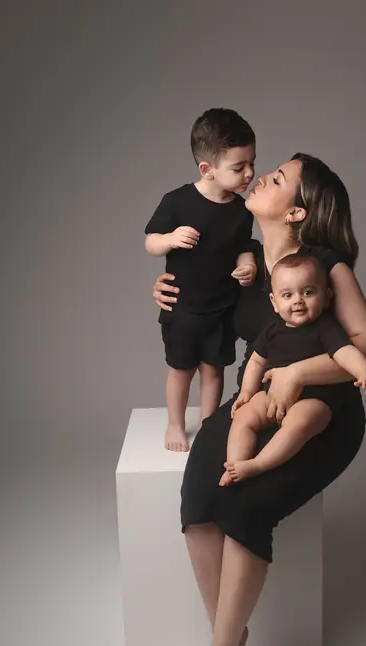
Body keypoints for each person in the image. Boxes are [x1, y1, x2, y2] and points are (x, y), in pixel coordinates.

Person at [152, 153, 366, 646]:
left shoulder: (326, 268)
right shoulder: (246, 263)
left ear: (298, 211)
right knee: (199, 502)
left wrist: (299, 372)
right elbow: (202, 317)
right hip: (250, 406)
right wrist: (165, 291)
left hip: (322, 416)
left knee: (246, 508)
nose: (264, 177)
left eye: (279, 178)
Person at [144, 108, 257, 452]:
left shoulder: (240, 210)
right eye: (239, 168)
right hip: (183, 307)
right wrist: (170, 238)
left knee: (214, 369)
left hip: (221, 306)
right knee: (181, 369)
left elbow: (240, 246)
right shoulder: (177, 201)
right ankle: (175, 425)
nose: (249, 174)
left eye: (252, 163)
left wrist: (247, 262)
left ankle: (209, 425)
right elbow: (150, 241)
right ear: (207, 169)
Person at [219, 252, 366, 486]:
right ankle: (235, 463)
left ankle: (258, 464)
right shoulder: (272, 329)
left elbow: (345, 352)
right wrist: (247, 393)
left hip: (315, 399)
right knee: (244, 416)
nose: (298, 300)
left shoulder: (325, 328)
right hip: (272, 395)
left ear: (326, 297)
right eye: (287, 295)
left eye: (308, 292)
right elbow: (256, 361)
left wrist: (364, 372)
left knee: (299, 423)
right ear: (275, 303)